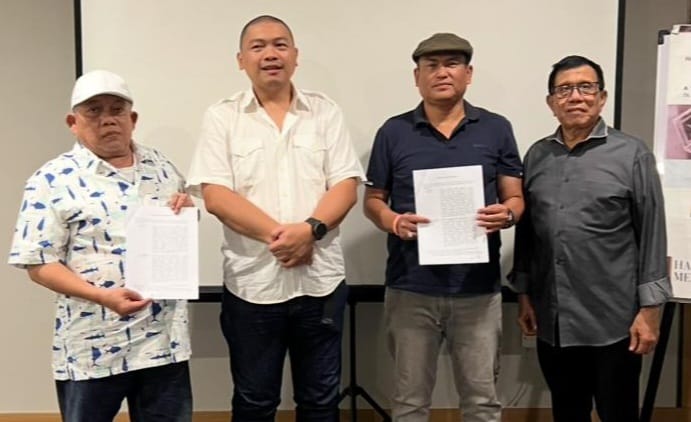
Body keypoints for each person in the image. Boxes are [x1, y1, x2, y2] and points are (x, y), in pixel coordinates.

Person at [186, 15, 364, 422]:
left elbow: (345, 185)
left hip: (320, 284)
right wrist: (286, 238)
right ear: (241, 59)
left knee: (320, 402)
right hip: (252, 286)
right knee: (254, 402)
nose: (270, 54)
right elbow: (215, 195)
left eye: (280, 44)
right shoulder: (222, 116)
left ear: (295, 56)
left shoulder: (325, 112)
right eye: (258, 46)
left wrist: (310, 231)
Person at [8, 70, 193, 422]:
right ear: (73, 122)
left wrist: (185, 214)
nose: (108, 119)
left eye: (116, 110)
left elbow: (175, 235)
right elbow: (38, 263)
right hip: (92, 343)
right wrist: (102, 296)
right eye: (94, 110)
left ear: (132, 119)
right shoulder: (51, 179)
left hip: (163, 342)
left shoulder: (163, 168)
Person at [363, 33, 524, 422]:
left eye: (452, 64)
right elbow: (372, 200)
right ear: (416, 77)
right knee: (410, 403)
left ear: (469, 73)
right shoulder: (393, 132)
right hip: (411, 288)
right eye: (431, 66)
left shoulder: (496, 128)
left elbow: (516, 198)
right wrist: (394, 221)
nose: (442, 73)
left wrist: (507, 215)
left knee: (482, 402)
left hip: (477, 289)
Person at [511, 55, 671, 422]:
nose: (575, 97)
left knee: (618, 413)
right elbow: (528, 233)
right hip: (554, 319)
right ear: (551, 102)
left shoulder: (632, 154)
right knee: (568, 412)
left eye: (586, 87)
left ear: (602, 98)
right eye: (564, 89)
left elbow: (652, 233)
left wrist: (650, 311)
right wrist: (524, 294)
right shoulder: (537, 155)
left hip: (614, 320)